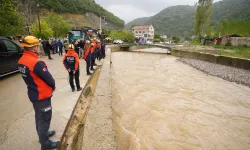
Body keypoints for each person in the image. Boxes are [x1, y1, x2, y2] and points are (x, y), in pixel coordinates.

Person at [18, 36, 59, 150]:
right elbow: (49, 79)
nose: (39, 48)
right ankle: (45, 145)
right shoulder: (36, 63)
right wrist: (53, 86)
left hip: (33, 93)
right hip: (42, 96)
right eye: (38, 46)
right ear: (34, 48)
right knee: (44, 120)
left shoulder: (21, 61)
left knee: (39, 117)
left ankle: (43, 135)